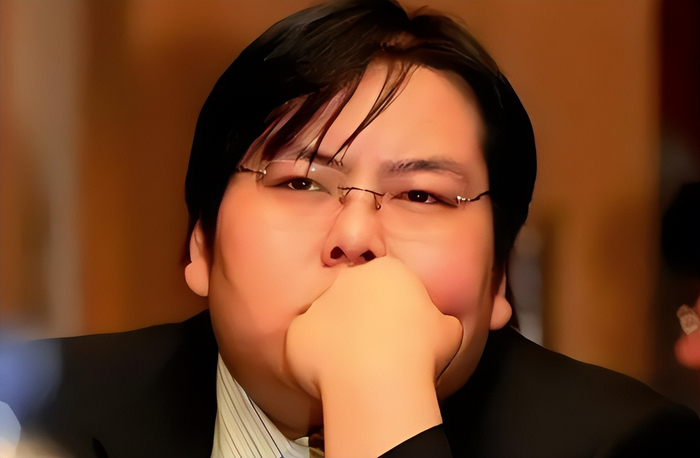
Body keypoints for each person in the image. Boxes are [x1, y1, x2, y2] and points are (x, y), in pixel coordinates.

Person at [2, 1, 699, 457]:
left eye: (421, 195)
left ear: (497, 280)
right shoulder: (29, 418)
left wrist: (381, 398)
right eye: (301, 183)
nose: (358, 234)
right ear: (201, 245)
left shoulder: (628, 445)